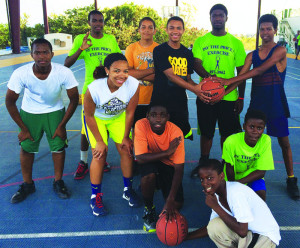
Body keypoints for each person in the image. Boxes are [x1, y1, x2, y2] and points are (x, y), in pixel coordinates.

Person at [218, 14, 300, 200]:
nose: (265, 32)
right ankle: (245, 176)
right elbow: (243, 75)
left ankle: (291, 178)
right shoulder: (252, 55)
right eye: (262, 29)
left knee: (284, 142)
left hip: (276, 103)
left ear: (275, 30)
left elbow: (259, 70)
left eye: (269, 29)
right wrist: (223, 91)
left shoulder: (279, 51)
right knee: (250, 140)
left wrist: (229, 79)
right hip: (257, 105)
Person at [6, 38, 79, 203]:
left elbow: (74, 100)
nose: (41, 56)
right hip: (30, 113)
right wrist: (23, 129)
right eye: (37, 52)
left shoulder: (63, 72)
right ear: (31, 55)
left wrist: (62, 125)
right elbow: (10, 102)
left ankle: (58, 181)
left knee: (58, 147)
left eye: (45, 52)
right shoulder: (21, 73)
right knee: (26, 148)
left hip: (55, 112)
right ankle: (27, 184)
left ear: (52, 54)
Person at [190, 4, 246, 178]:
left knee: (227, 134)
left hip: (229, 97)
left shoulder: (235, 43)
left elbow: (241, 72)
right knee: (206, 132)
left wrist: (241, 97)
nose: (218, 18)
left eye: (221, 15)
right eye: (215, 15)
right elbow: (196, 63)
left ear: (226, 18)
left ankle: (225, 163)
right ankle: (203, 163)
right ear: (210, 18)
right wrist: (210, 80)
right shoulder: (201, 41)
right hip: (206, 95)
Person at [64, 10, 121, 179]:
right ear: (89, 23)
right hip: (90, 90)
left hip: (110, 89)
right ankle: (83, 162)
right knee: (85, 129)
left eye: (100, 20)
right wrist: (81, 49)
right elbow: (67, 63)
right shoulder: (81, 39)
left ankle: (101, 158)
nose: (98, 23)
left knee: (106, 124)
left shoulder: (110, 39)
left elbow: (119, 59)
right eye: (94, 20)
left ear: (103, 22)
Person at [83, 53, 141, 216]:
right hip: (97, 119)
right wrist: (100, 141)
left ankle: (127, 190)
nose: (122, 75)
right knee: (99, 155)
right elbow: (88, 116)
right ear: (107, 70)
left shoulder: (134, 84)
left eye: (126, 71)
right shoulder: (94, 88)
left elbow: (130, 113)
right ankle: (95, 196)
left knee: (126, 150)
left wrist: (126, 137)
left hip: (118, 117)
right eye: (117, 71)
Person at [186, 159, 281, 248]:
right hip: (248, 233)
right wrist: (186, 236)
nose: (205, 183)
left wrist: (215, 206)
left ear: (221, 176)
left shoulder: (235, 192)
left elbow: (242, 231)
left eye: (210, 178)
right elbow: (210, 227)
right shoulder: (216, 195)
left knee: (220, 225)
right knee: (214, 226)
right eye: (202, 179)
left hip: (264, 237)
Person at [151, 16, 207, 141]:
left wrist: (202, 90)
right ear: (166, 30)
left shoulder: (187, 53)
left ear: (183, 30)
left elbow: (187, 78)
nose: (175, 31)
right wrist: (195, 90)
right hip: (161, 101)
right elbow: (171, 75)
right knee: (159, 136)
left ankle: (176, 160)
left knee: (177, 136)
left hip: (179, 102)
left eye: (178, 28)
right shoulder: (159, 50)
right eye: (171, 28)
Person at [134, 103, 184, 232]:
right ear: (147, 116)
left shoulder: (176, 132)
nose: (158, 119)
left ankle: (159, 186)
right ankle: (149, 208)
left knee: (177, 204)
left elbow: (179, 168)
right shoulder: (140, 124)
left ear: (168, 117)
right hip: (149, 159)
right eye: (153, 115)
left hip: (168, 165)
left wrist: (170, 199)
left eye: (162, 115)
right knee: (148, 176)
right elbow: (140, 158)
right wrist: (167, 152)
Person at [223, 109, 274, 201]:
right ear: (244, 126)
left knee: (260, 195)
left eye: (259, 128)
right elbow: (229, 167)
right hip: (232, 177)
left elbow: (261, 172)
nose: (255, 131)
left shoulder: (266, 140)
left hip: (252, 175)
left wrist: (238, 183)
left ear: (263, 128)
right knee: (231, 200)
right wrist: (232, 185)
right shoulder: (231, 141)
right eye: (251, 127)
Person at [125, 17, 159, 127]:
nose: (147, 30)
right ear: (139, 30)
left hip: (155, 100)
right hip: (136, 100)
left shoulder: (159, 49)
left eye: (150, 27)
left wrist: (137, 74)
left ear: (154, 31)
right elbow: (128, 74)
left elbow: (159, 77)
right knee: (137, 132)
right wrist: (152, 70)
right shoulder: (131, 48)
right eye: (143, 27)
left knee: (154, 134)